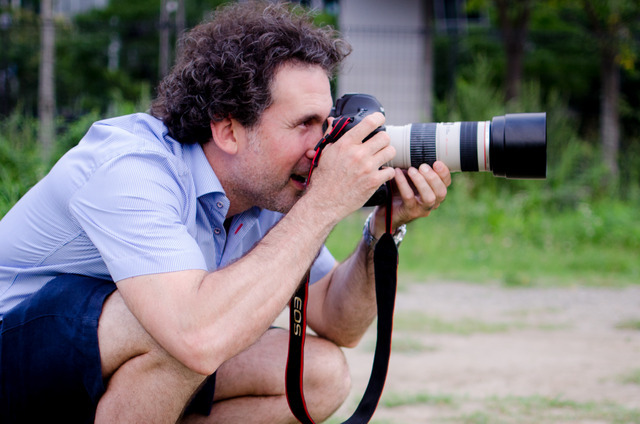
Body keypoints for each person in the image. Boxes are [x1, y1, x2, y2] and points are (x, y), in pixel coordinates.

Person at [0, 1, 451, 423]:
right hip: (12, 356)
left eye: (326, 122)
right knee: (183, 333)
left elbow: (337, 320)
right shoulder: (133, 167)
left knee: (319, 374)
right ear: (228, 129)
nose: (323, 146)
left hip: (107, 363)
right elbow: (195, 335)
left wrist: (380, 232)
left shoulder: (268, 189)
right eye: (304, 126)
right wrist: (323, 204)